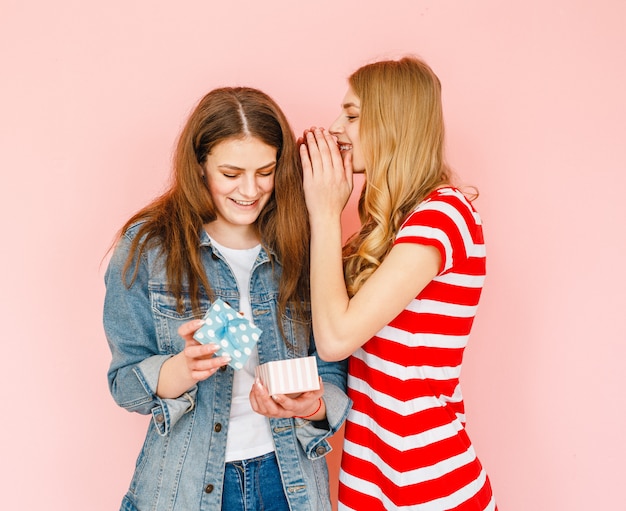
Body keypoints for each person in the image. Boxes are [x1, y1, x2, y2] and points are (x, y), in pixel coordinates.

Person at [103, 86, 350, 511]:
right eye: (231, 174)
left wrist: (312, 406)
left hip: (288, 482)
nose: (250, 190)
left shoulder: (305, 245)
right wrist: (182, 369)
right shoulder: (147, 246)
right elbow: (124, 383)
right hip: (184, 485)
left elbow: (332, 364)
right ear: (200, 166)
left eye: (265, 171)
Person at [299, 56, 497, 510]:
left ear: (393, 122)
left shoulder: (442, 215)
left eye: (351, 115)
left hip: (430, 483)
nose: (336, 127)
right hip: (371, 479)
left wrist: (326, 211)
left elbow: (334, 339)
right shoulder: (394, 226)